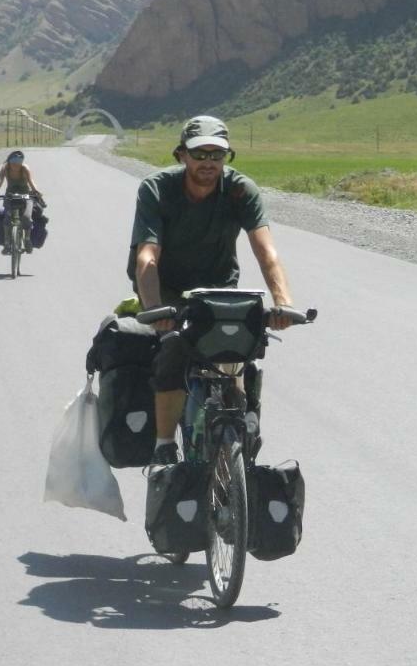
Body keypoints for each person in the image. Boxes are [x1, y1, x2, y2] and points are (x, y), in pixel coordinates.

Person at [127, 116, 296, 465]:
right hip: (167, 287)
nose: (208, 163)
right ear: (181, 155)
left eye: (217, 155)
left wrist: (282, 303)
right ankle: (163, 445)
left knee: (234, 351)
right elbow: (147, 257)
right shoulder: (156, 188)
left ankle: (237, 424)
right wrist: (157, 309)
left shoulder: (239, 190)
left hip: (219, 286)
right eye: (199, 154)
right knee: (174, 349)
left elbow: (266, 252)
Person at [0, 150, 45, 254]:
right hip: (10, 195)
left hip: (25, 195)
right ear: (9, 162)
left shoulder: (25, 168)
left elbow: (31, 182)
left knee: (26, 218)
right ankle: (6, 243)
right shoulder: (5, 168)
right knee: (7, 218)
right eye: (14, 163)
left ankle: (27, 240)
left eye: (18, 164)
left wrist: (36, 191)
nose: (16, 166)